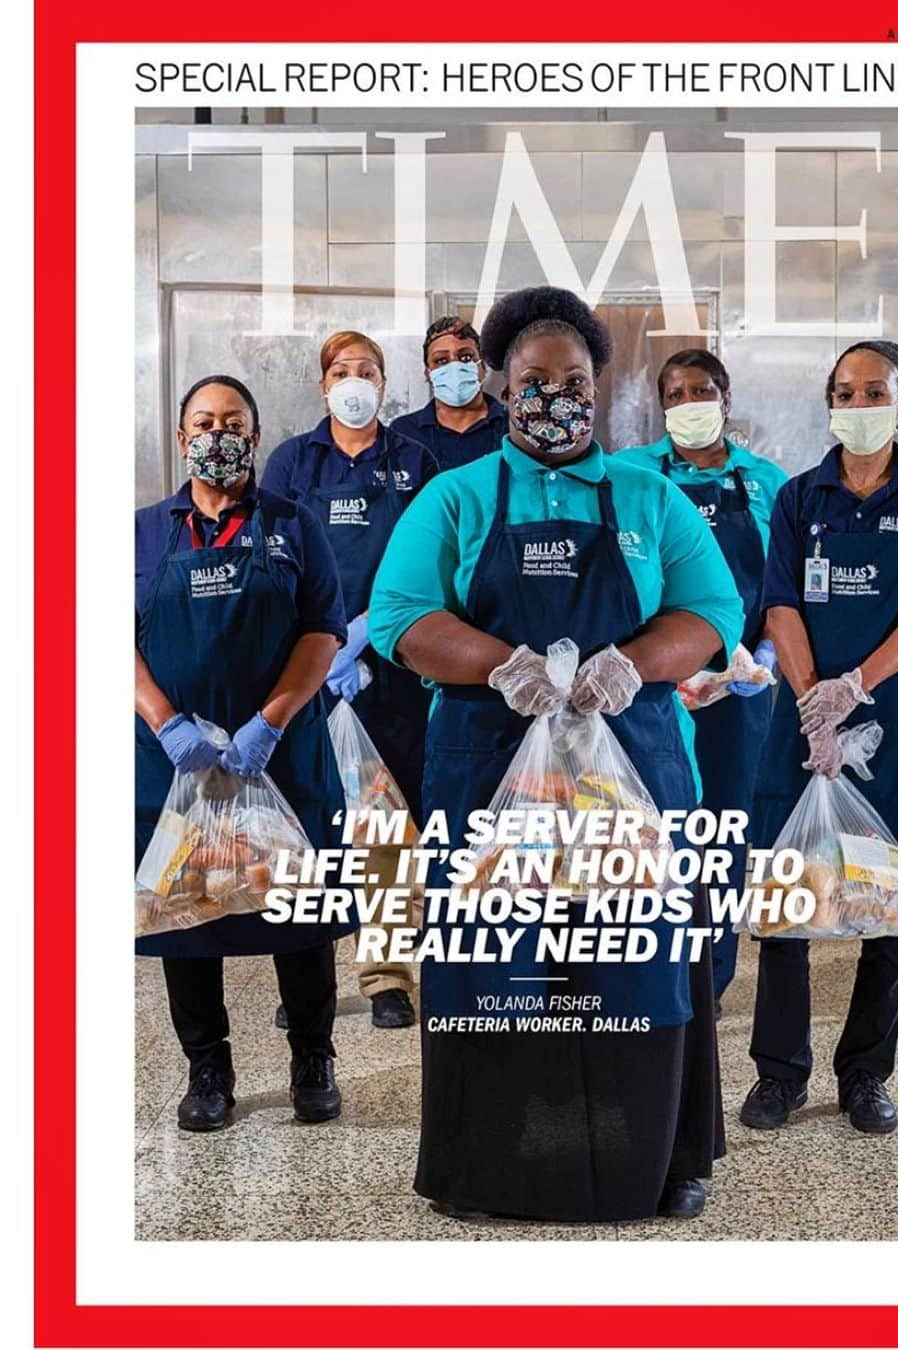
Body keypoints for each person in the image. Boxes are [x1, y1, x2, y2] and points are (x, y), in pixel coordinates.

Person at [368, 286, 745, 1223]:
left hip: (633, 776)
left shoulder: (649, 496)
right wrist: (507, 668)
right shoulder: (455, 497)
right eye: (533, 381)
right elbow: (398, 617)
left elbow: (714, 614)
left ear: (599, 385)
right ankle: (488, 1170)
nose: (553, 398)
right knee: (499, 966)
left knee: (635, 962)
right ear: (500, 386)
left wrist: (630, 664)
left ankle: (657, 1162)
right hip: (491, 773)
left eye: (572, 381)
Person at [135, 376, 358, 1131]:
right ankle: (208, 1068)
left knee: (298, 907)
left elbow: (321, 632)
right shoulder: (139, 533)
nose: (218, 434)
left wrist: (271, 721)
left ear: (255, 437)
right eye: (203, 421)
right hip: (176, 765)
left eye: (233, 422)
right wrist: (165, 723)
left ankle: (313, 1056)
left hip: (282, 757)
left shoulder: (295, 526)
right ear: (181, 437)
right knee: (186, 917)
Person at [740, 341, 898, 1136]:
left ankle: (865, 1075)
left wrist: (855, 687)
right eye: (843, 392)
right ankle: (778, 1075)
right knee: (790, 894)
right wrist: (812, 703)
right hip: (801, 723)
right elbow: (780, 604)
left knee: (888, 904)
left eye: (873, 393)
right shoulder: (799, 500)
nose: (856, 406)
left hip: (889, 728)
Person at [262, 331, 440, 1030]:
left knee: (389, 825)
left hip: (395, 673)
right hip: (313, 672)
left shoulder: (413, 461)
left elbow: (431, 559)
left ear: (386, 383)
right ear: (322, 383)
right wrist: (326, 640)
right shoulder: (291, 462)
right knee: (310, 826)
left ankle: (387, 975)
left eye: (367, 370)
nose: (355, 381)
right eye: (342, 371)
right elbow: (269, 558)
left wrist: (368, 629)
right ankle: (307, 968)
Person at [620, 351, 787, 1013]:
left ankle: (711, 975)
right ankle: (654, 966)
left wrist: (766, 657)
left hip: (741, 691)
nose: (691, 401)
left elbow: (785, 586)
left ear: (726, 395)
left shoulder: (767, 482)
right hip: (659, 685)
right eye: (677, 392)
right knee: (652, 825)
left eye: (703, 389)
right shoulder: (634, 475)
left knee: (725, 831)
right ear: (662, 406)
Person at [390, 316, 508, 470]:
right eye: (441, 360)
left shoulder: (513, 426)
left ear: (483, 366)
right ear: (427, 373)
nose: (455, 367)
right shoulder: (404, 432)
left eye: (465, 357)